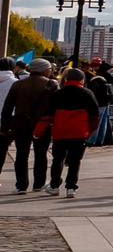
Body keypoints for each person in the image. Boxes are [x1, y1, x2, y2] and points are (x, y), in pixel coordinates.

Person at [46, 69, 100, 198]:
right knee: (75, 161)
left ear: (66, 79)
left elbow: (48, 114)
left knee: (57, 159)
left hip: (60, 132)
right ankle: (71, 187)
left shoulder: (58, 94)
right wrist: (89, 131)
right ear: (82, 80)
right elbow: (94, 116)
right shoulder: (87, 93)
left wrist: (39, 130)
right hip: (79, 132)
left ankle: (54, 186)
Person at [9, 61, 56, 195]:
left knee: (21, 154)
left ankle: (21, 185)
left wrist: (5, 126)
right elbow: (55, 106)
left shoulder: (18, 84)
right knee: (41, 154)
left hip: (21, 123)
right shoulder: (52, 84)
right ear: (45, 70)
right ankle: (39, 183)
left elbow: (8, 107)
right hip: (43, 124)